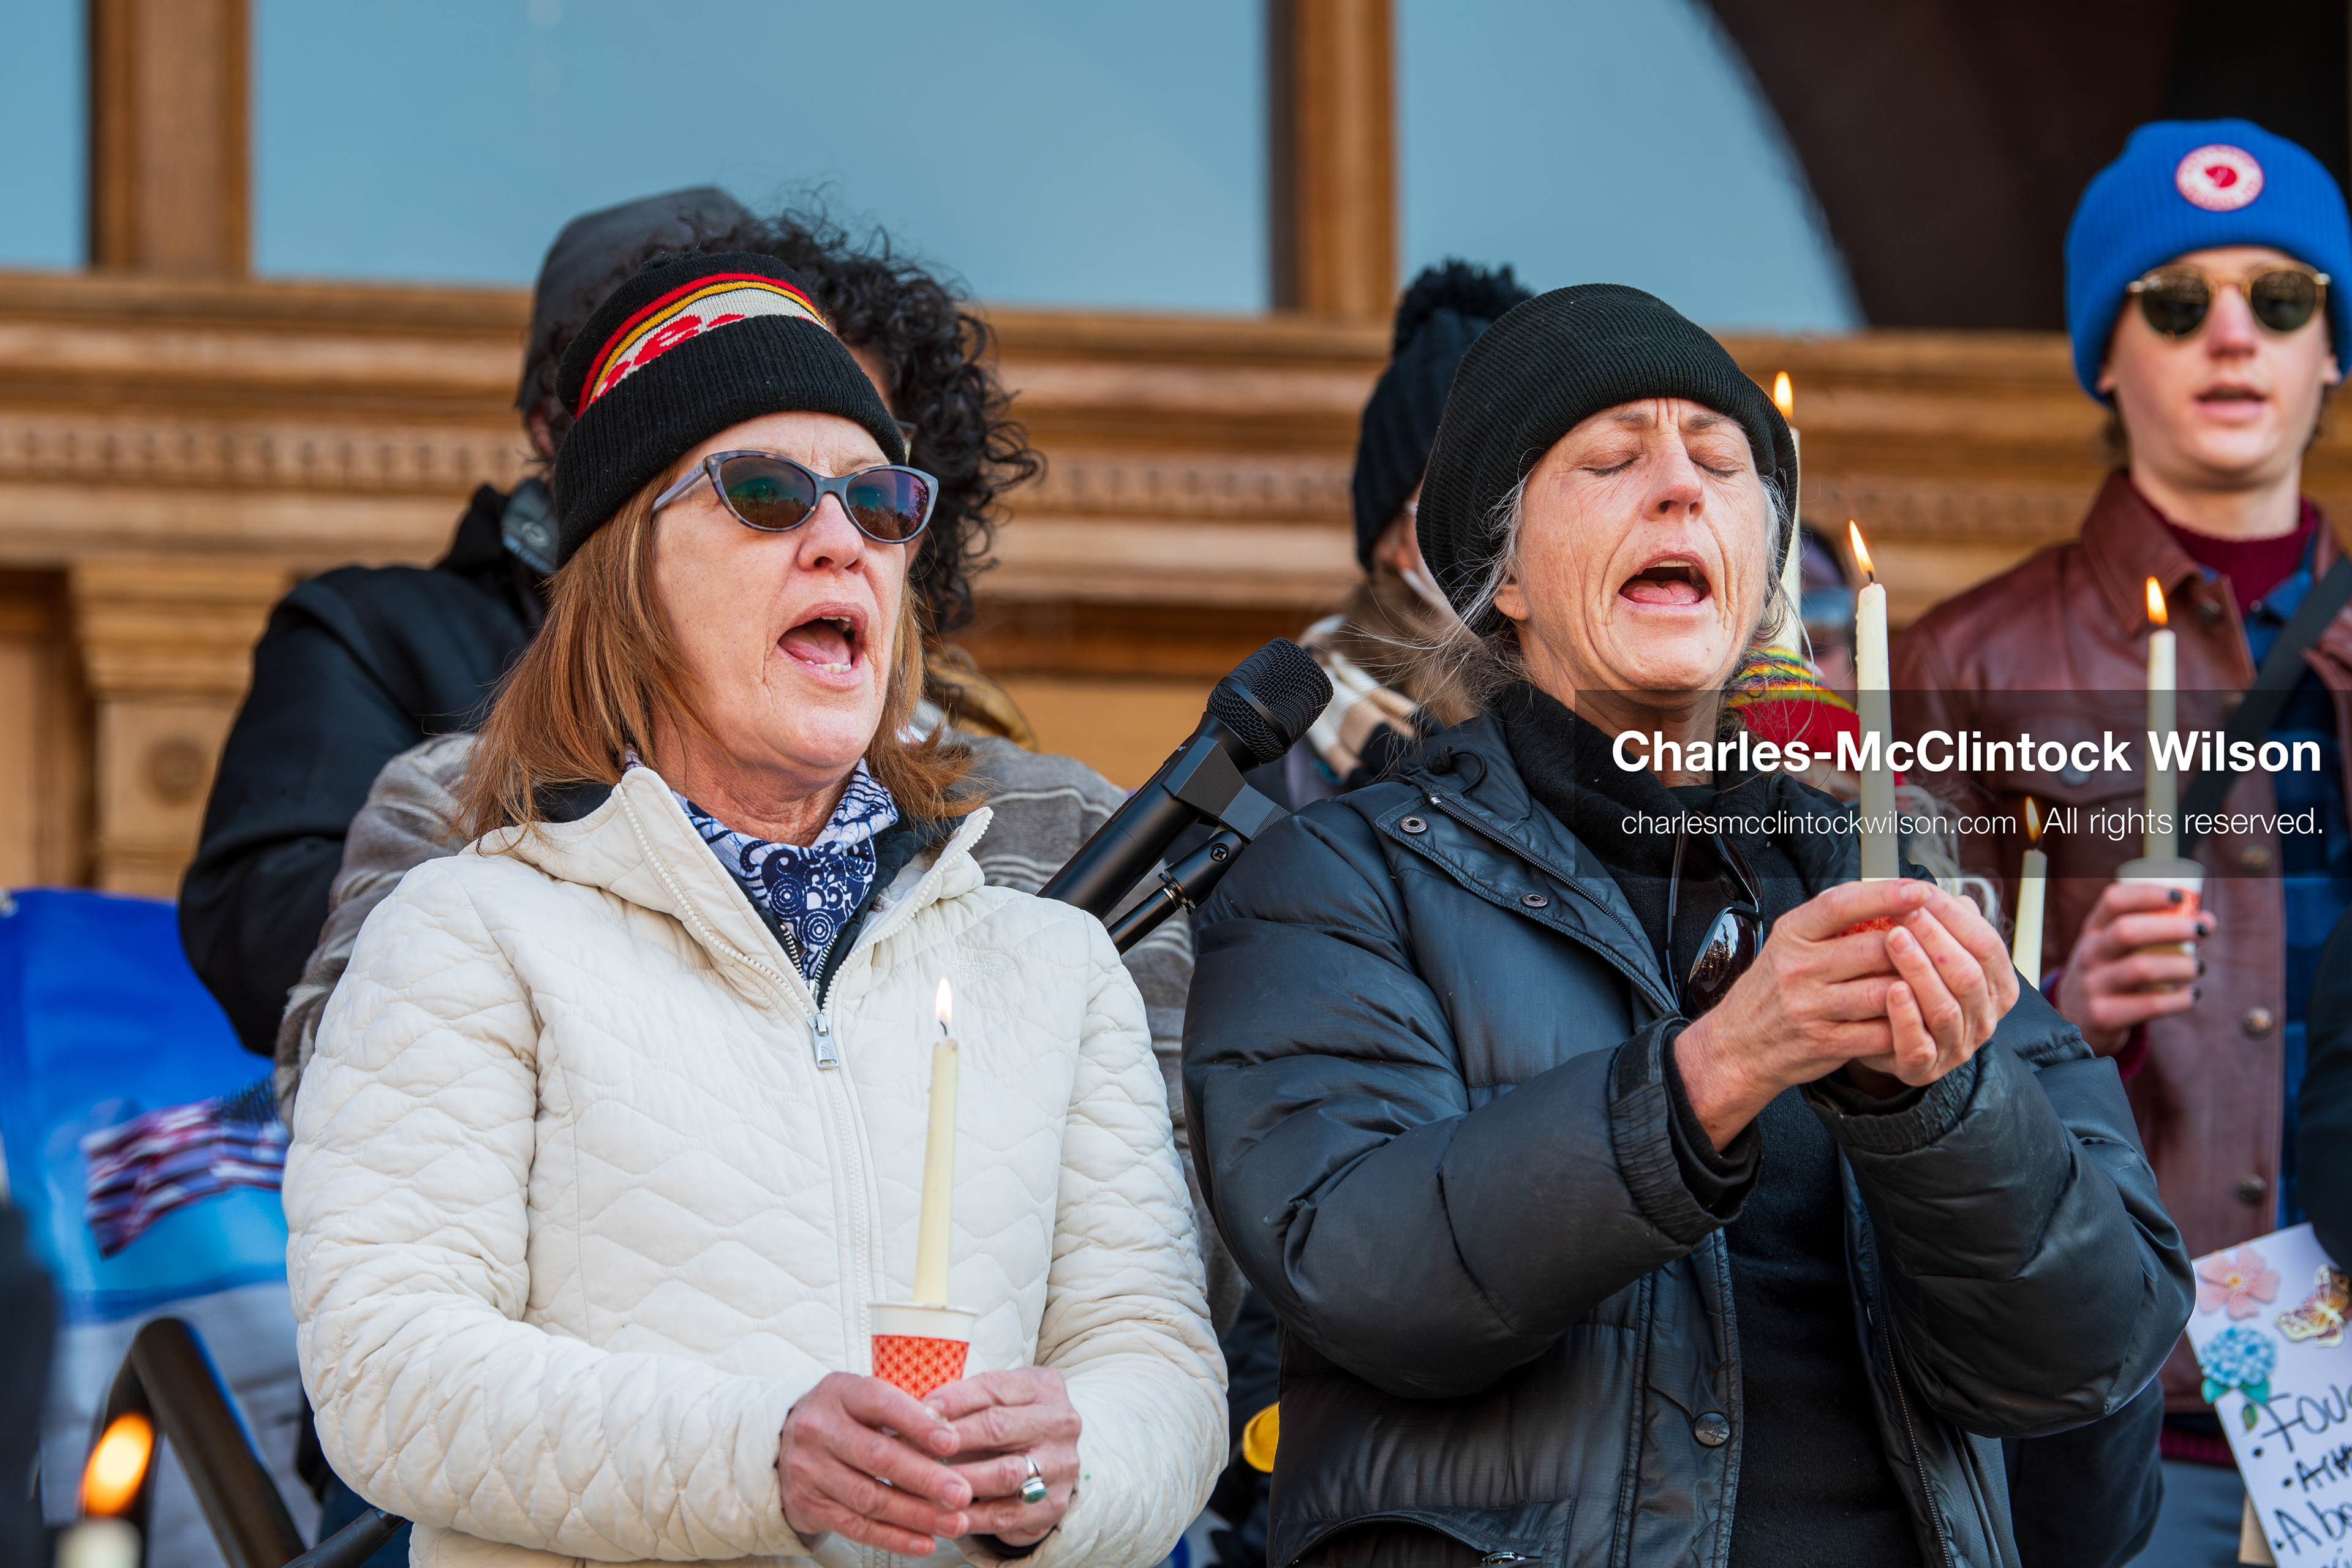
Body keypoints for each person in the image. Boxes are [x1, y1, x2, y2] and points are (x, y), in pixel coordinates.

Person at [1184, 282, 2191, 1567]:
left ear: (1759, 574)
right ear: (1503, 583)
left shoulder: (1885, 882)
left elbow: (2098, 1348)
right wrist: (1715, 1068)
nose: (1681, 486)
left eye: (1722, 465)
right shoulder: (1338, 877)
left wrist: (1938, 1102)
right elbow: (1360, 1260)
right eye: (1610, 460)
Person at [282, 252, 1224, 1567]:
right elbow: (388, 1371)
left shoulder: (1049, 959)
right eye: (767, 493)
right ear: (627, 574)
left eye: (882, 503)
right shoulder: (468, 932)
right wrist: (759, 1452)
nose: (842, 537)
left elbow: (1161, 1367)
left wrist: (1070, 1467)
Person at [1895, 119, 2352, 1562]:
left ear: (2329, 348)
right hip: (2109, 1402)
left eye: (2279, 299)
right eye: (2173, 301)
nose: (2231, 335)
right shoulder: (1963, 663)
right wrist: (2058, 1017)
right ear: (2104, 352)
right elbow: (1878, 1077)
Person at [1262, 261, 1526, 808]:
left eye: (1528, 488)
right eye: (1466, 489)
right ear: (1392, 537)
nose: (1508, 523)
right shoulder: (1274, 749)